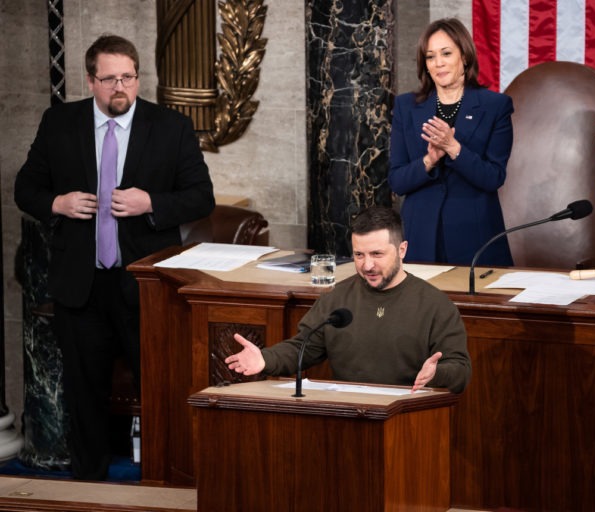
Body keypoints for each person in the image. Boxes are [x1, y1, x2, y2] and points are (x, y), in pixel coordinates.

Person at [14, 34, 215, 480]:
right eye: (109, 79)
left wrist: (152, 203)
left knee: (158, 387)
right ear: (91, 80)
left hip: (143, 284)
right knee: (83, 393)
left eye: (128, 77)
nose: (120, 87)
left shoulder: (170, 127)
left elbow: (202, 197)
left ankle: (164, 480)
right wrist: (57, 204)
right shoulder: (59, 124)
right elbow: (25, 188)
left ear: (138, 77)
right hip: (80, 283)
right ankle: (90, 484)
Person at [225, 206, 471, 394]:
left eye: (377, 254)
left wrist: (437, 374)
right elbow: (304, 347)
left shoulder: (435, 305)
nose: (368, 265)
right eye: (359, 255)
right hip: (349, 414)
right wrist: (265, 359)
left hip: (409, 418)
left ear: (402, 250)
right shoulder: (338, 298)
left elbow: (460, 370)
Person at [388, 18, 514, 267]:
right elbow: (397, 181)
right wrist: (429, 160)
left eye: (446, 53)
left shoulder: (495, 106)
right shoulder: (406, 107)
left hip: (474, 239)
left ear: (464, 56)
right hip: (420, 237)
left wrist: (453, 148)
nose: (438, 63)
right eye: (430, 57)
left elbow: (493, 177)